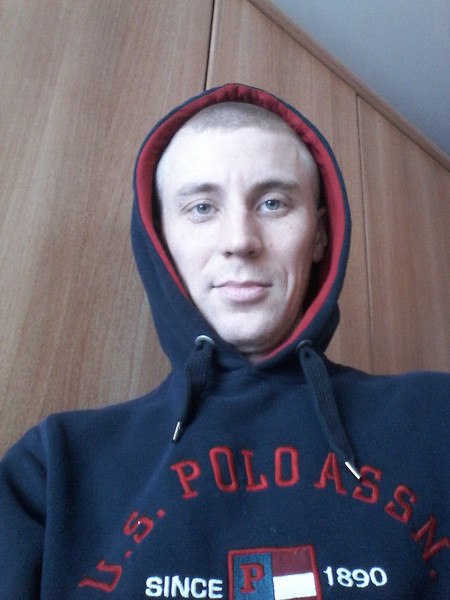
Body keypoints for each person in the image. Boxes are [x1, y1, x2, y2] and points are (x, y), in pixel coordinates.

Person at [0, 82, 448, 599]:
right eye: (201, 208)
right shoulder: (54, 469)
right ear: (160, 240)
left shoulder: (438, 421)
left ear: (321, 235)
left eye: (274, 203)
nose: (240, 240)